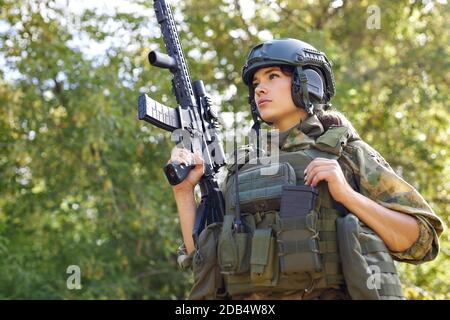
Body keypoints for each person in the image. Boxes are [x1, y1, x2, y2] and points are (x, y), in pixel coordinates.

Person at [169, 38, 444, 300]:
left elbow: (421, 240)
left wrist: (347, 195)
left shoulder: (346, 153)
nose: (260, 89)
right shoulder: (242, 168)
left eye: (273, 76)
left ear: (306, 82)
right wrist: (184, 193)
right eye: (256, 82)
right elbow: (203, 262)